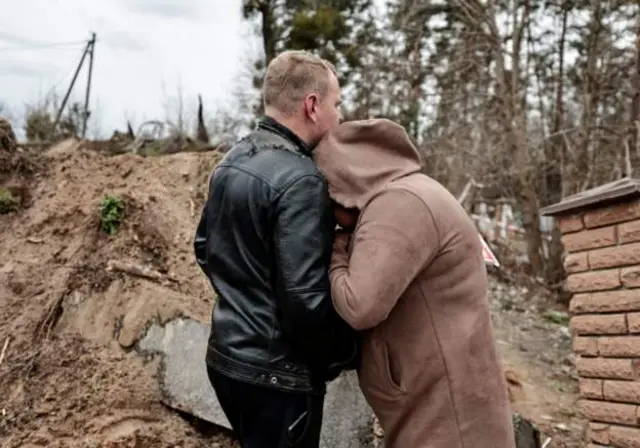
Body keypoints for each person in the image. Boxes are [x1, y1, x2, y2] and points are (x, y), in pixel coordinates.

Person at [313, 118, 516, 448]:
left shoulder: (400, 204)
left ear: (347, 183)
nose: (329, 211)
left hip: (446, 415)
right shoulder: (411, 193)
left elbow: (358, 305)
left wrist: (335, 250)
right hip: (440, 403)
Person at [193, 50, 359, 448]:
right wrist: (343, 355)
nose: (340, 116)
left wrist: (246, 291)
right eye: (337, 104)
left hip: (227, 359)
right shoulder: (303, 180)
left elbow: (204, 247)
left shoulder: (233, 159)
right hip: (277, 378)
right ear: (312, 105)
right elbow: (305, 302)